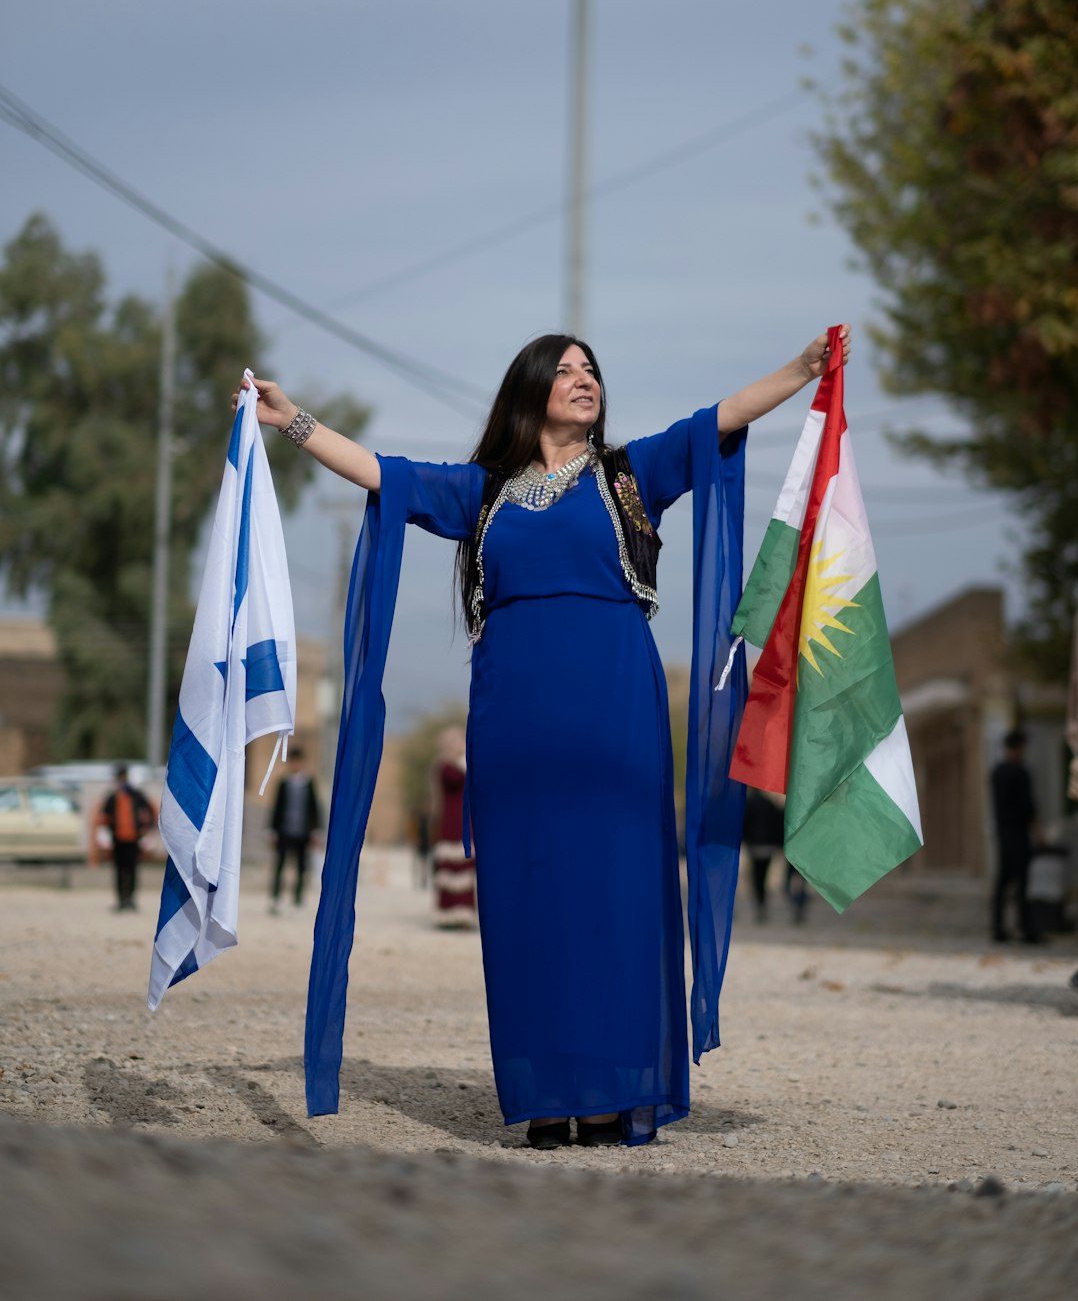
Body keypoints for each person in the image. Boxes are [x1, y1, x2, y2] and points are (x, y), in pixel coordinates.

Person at [237, 323, 851, 1147]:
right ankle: (547, 1093)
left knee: (617, 893)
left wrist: (803, 368)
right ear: (531, 391)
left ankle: (609, 1092)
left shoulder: (631, 475)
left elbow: (722, 419)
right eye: (564, 370)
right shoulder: (483, 494)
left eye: (591, 369)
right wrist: (296, 422)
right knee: (530, 898)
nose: (583, 378)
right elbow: (384, 473)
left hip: (616, 720)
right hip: (514, 724)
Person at [989, 727, 1040, 944]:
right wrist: (1038, 831)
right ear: (1019, 747)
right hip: (1018, 833)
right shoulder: (1020, 772)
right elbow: (1028, 806)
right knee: (1022, 882)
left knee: (1002, 881)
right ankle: (1025, 928)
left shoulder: (997, 772)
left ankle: (998, 927)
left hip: (1003, 832)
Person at [430, 724, 476, 927]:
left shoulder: (463, 764)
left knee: (465, 870)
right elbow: (455, 780)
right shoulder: (445, 767)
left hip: (465, 820)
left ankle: (464, 914)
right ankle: (448, 914)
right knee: (450, 869)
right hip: (451, 821)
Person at [269, 745, 322, 912]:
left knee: (301, 867)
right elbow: (276, 807)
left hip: (302, 832)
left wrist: (315, 831)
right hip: (284, 831)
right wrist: (271, 830)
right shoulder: (283, 783)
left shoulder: (309, 783)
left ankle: (298, 898)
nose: (295, 764)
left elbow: (314, 808)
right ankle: (276, 897)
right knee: (280, 865)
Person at [96, 765, 155, 912]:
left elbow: (150, 809)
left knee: (132, 869)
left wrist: (148, 828)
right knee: (119, 870)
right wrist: (105, 835)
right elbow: (104, 817)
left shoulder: (136, 795)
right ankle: (121, 900)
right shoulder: (113, 797)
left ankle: (131, 899)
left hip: (134, 838)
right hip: (118, 839)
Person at [742, 788, 785, 922]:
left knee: (756, 876)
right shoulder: (769, 804)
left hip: (754, 845)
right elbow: (778, 824)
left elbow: (744, 823)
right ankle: (762, 902)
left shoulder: (749, 803)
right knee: (764, 875)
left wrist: (744, 840)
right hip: (768, 846)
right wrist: (779, 844)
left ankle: (760, 903)